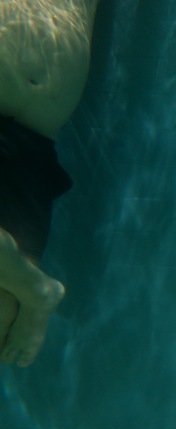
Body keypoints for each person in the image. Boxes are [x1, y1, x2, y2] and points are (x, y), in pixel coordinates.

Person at [0, 0, 101, 367]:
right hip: (36, 125)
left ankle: (33, 291)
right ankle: (32, 291)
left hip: (45, 54)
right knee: (4, 320)